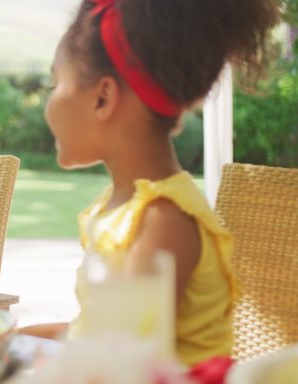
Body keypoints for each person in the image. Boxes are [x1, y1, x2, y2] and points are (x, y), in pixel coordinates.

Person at [36, 0, 279, 366]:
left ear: (103, 97)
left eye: (55, 82)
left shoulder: (160, 221)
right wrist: (6, 340)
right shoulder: (124, 207)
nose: (48, 103)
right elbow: (100, 334)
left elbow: (125, 365)